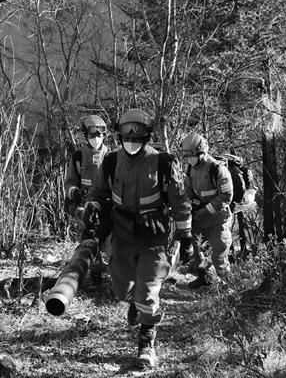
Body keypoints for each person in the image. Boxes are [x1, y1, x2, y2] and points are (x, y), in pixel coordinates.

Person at [84, 108, 192, 369]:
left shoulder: (164, 163)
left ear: (147, 137)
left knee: (149, 289)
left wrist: (185, 235)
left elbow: (180, 201)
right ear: (119, 137)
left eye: (137, 138)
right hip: (121, 233)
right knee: (122, 290)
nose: (131, 142)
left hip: (152, 235)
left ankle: (146, 344)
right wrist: (93, 207)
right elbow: (99, 193)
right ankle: (134, 302)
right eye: (127, 137)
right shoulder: (111, 162)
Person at [180, 133, 234, 288]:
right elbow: (188, 190)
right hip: (199, 217)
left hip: (217, 218)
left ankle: (228, 287)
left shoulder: (217, 169)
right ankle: (204, 278)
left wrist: (206, 210)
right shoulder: (191, 169)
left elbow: (226, 196)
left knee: (219, 253)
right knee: (197, 251)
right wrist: (190, 205)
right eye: (187, 157)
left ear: (202, 152)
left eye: (192, 156)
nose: (189, 160)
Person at [63, 115, 111, 286]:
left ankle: (116, 274)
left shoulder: (111, 157)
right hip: (84, 206)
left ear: (104, 135)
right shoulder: (78, 157)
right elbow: (69, 182)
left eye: (99, 134)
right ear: (85, 136)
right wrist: (75, 193)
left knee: (109, 238)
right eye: (92, 135)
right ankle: (95, 275)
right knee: (88, 237)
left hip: (106, 205)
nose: (96, 138)